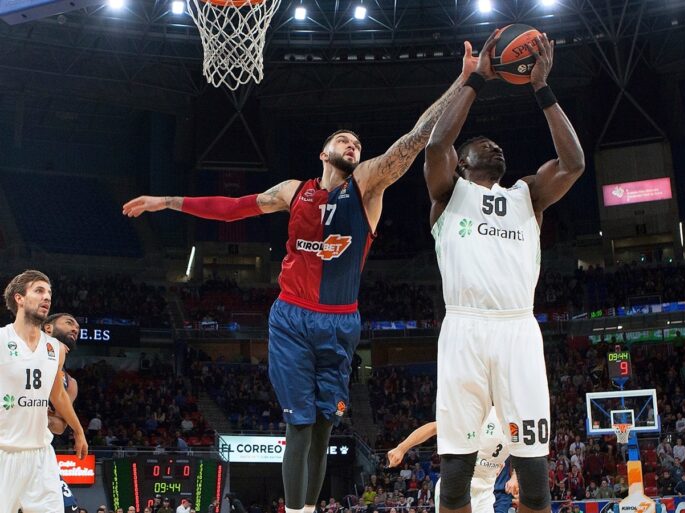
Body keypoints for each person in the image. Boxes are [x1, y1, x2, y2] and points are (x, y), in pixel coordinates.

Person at [122, 37, 488, 513]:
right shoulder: (293, 191)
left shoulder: (367, 186)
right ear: (323, 152)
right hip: (292, 318)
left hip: (340, 321)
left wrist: (463, 81)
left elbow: (416, 138)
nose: (353, 145)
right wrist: (167, 201)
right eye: (344, 140)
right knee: (299, 423)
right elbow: (232, 208)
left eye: (357, 143)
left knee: (323, 425)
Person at [423, 30, 584, 513]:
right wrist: (475, 80)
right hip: (464, 329)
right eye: (481, 143)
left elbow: (573, 163)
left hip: (518, 329)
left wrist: (542, 87)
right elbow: (436, 144)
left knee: (534, 479)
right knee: (455, 478)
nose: (493, 145)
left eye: (495, 143)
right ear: (461, 163)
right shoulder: (447, 195)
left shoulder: (527, 194)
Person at [0, 270, 88, 513]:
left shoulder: (55, 349)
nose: (47, 297)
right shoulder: (1, 340)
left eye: (49, 293)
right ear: (19, 298)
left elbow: (57, 394)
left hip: (41, 455)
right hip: (4, 452)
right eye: (39, 291)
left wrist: (78, 430)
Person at [387, 408, 517, 513]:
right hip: (456, 486)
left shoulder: (520, 426)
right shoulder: (483, 413)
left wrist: (515, 477)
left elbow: (520, 456)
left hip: (485, 492)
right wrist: (401, 448)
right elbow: (434, 427)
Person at [43, 312, 83, 513]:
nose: (75, 328)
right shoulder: (23, 354)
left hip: (41, 450)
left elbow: (59, 427)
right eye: (69, 323)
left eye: (78, 327)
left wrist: (41, 416)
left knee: (69, 508)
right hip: (8, 442)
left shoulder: (70, 382)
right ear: (48, 328)